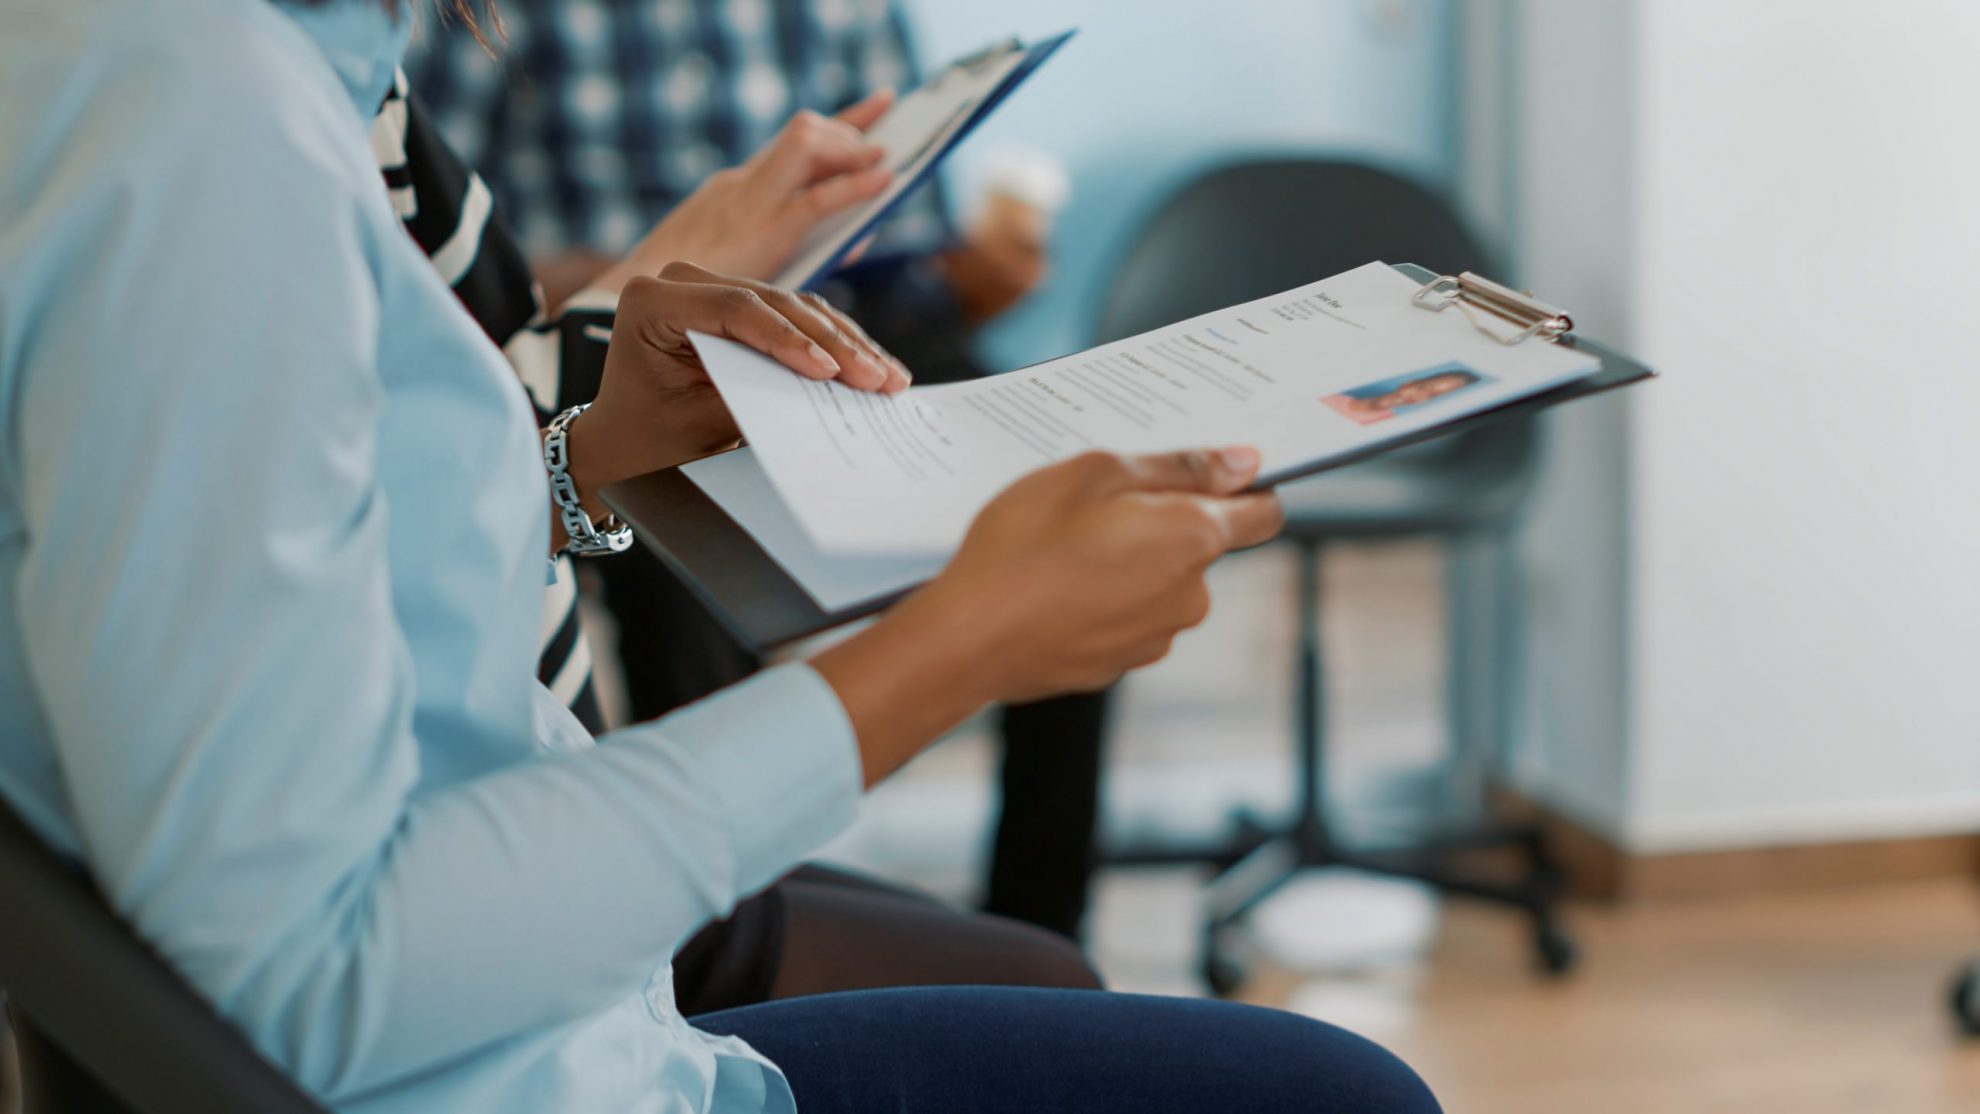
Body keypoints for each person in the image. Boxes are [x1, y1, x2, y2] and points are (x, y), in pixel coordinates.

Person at [0, 1, 1446, 1111]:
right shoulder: (199, 118)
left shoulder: (258, 75)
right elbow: (318, 974)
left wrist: (582, 453)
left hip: (574, 1022)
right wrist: (954, 649)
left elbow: (331, 543)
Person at [370, 62, 1099, 1011]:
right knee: (1056, 991)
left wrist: (965, 271)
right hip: (508, 830)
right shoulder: (306, 105)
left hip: (549, 760)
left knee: (1062, 499)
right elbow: (439, 458)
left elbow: (456, 456)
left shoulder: (367, 84)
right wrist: (659, 266)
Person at [1323, 368, 1484, 425]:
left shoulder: (1382, 428)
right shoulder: (1329, 397)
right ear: (1409, 384)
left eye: (1433, 396)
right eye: (1422, 388)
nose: (1419, 396)